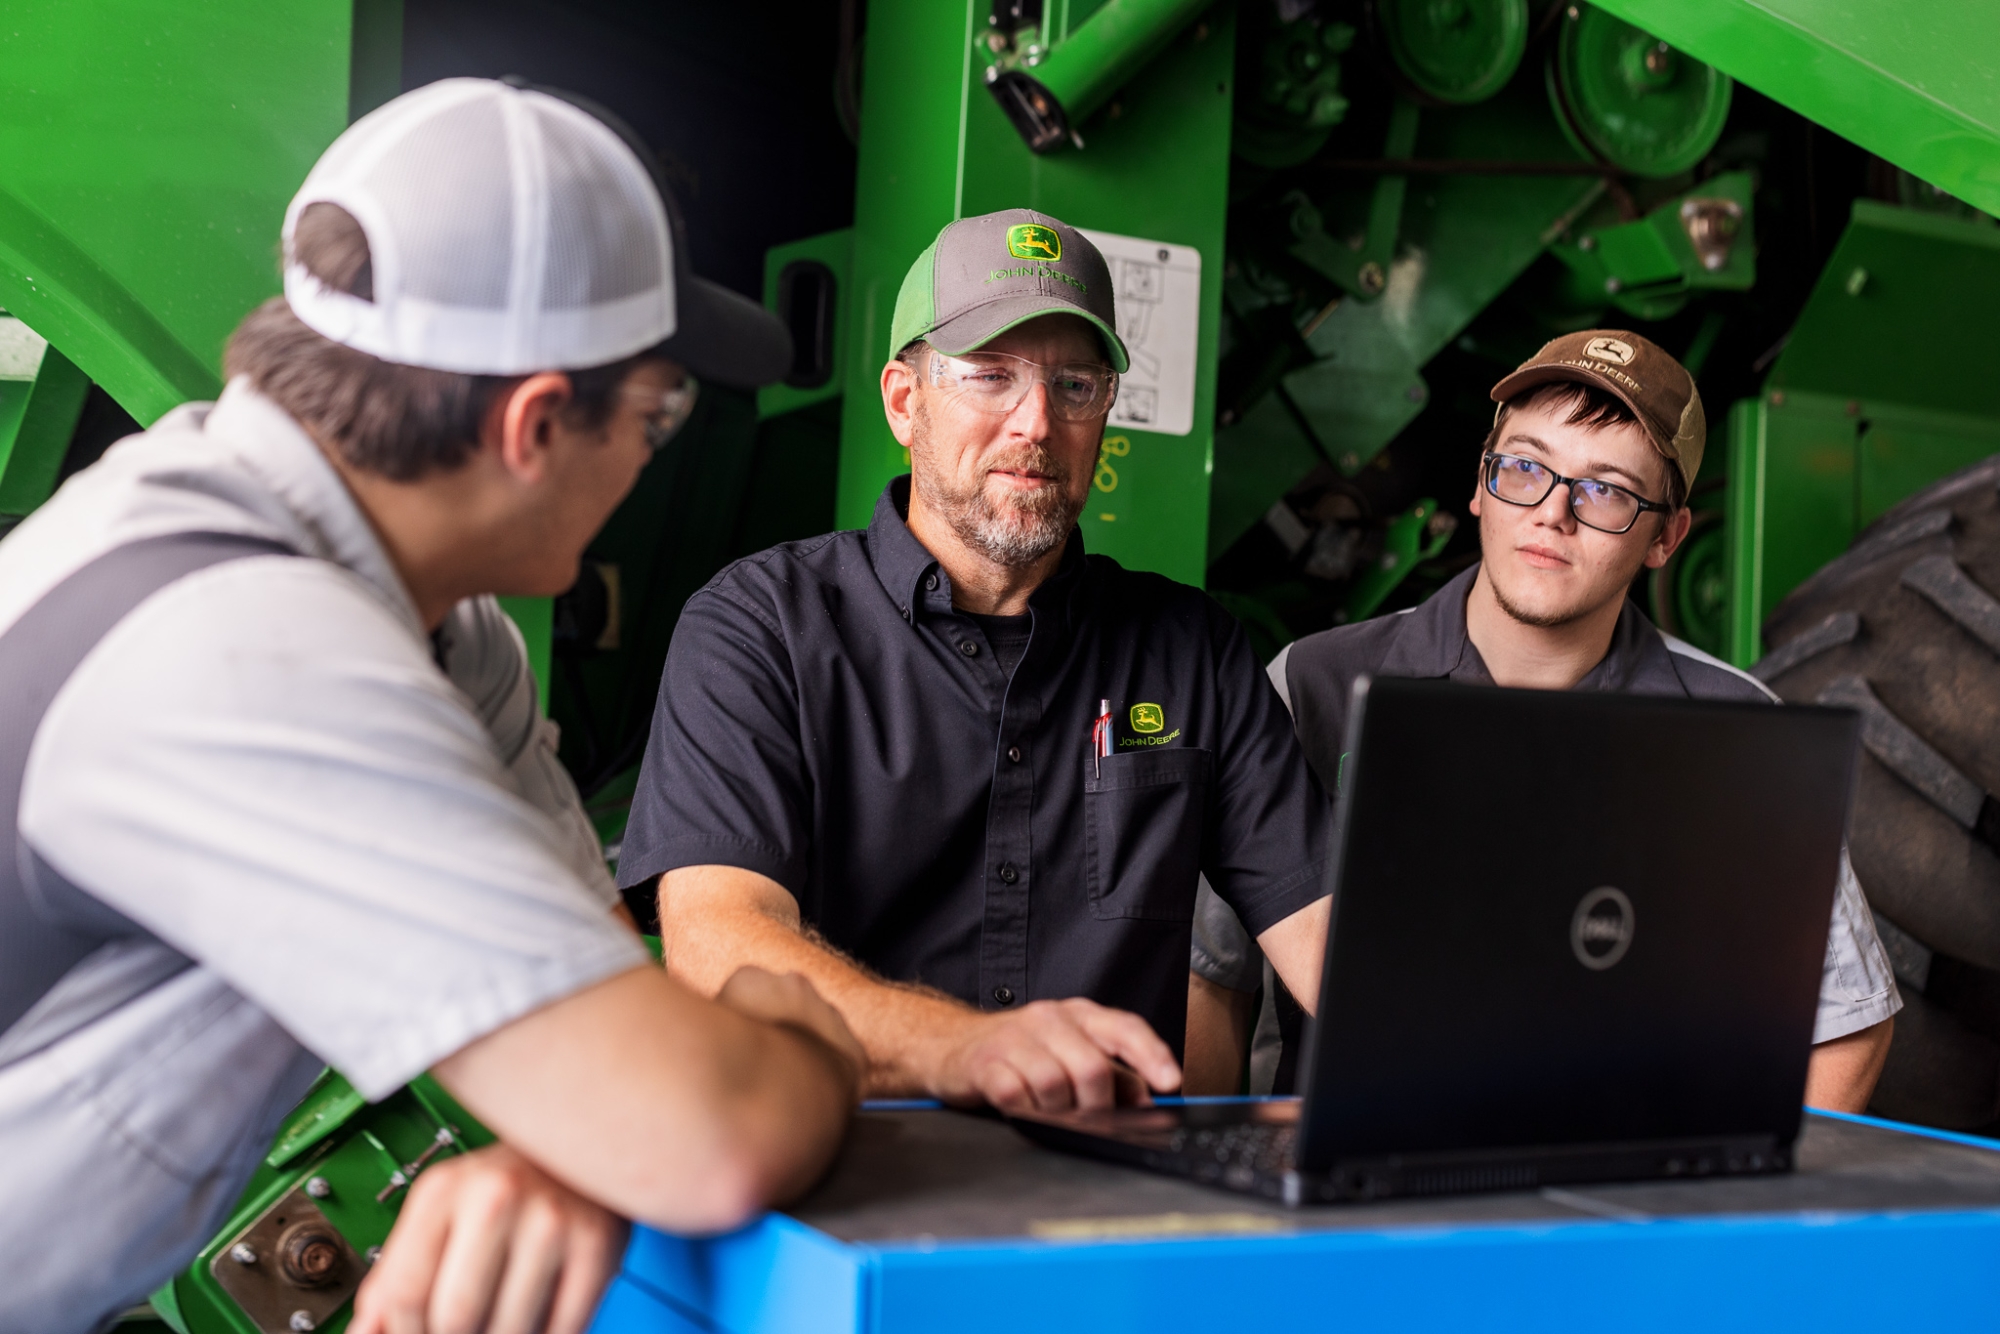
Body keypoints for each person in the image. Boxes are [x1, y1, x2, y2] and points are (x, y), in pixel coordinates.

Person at [0, 79, 863, 1334]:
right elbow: (707, 1130)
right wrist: (805, 1033)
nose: (652, 452)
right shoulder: (248, 649)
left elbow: (606, 1006)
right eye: (657, 410)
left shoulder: (431, 625)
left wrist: (578, 1142)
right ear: (532, 424)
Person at [616, 209, 1333, 1114]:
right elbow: (720, 945)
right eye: (991, 377)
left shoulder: (1195, 652)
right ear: (903, 400)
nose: (1036, 422)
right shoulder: (760, 628)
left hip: (1101, 1201)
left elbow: (1328, 943)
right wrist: (968, 1049)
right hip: (846, 1173)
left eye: (1075, 386)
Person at [1184, 330, 1900, 1111]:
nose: (1553, 513)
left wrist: (1743, 1225)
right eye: (1525, 467)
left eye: (1608, 490)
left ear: (1667, 537)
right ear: (1481, 485)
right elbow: (1211, 974)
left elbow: (1849, 1019)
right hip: (1352, 1202)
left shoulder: (1736, 730)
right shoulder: (1313, 685)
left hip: (1612, 1207)